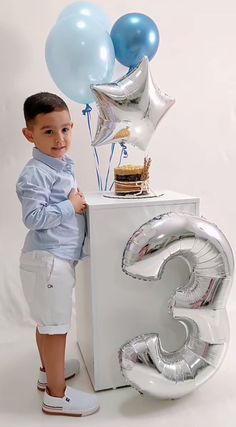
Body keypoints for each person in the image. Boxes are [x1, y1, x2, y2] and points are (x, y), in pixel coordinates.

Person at [16, 92, 99, 416]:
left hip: (55, 261)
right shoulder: (35, 173)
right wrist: (71, 206)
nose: (59, 138)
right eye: (48, 131)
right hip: (48, 261)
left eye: (65, 129)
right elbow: (33, 217)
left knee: (47, 323)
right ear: (30, 134)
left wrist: (74, 202)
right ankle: (56, 395)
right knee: (55, 327)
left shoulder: (62, 165)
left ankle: (47, 372)